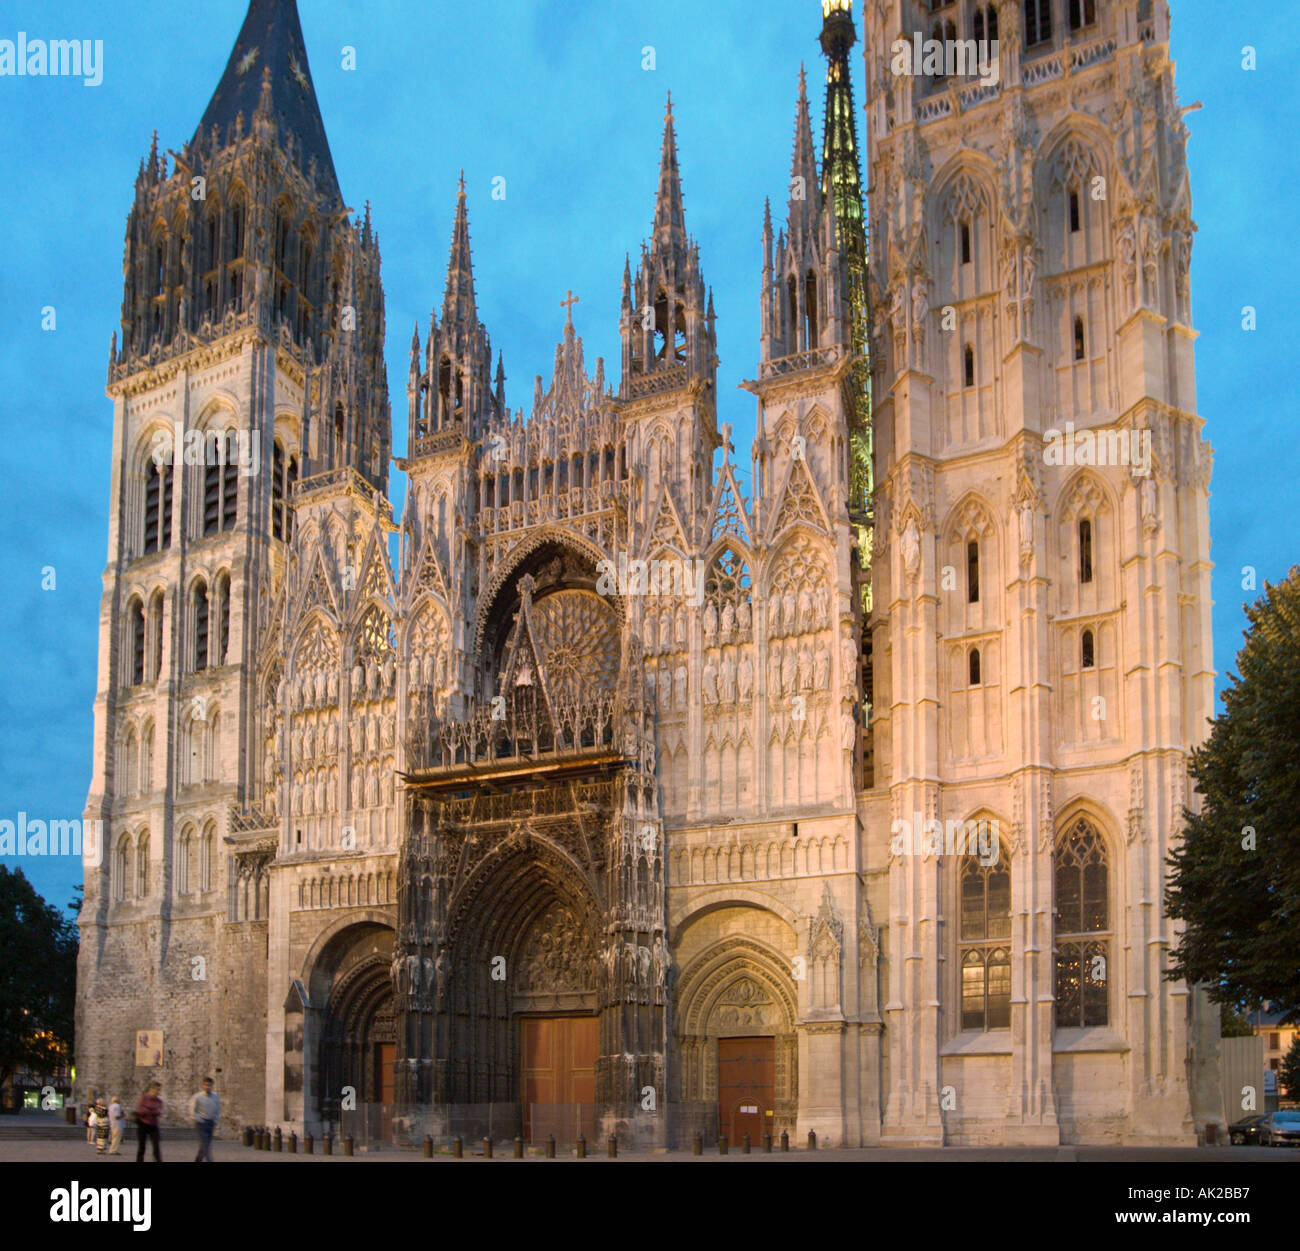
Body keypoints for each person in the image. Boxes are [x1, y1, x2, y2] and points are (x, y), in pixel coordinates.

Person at [189, 1077, 220, 1163]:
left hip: (211, 1123)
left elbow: (217, 1109)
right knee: (205, 1144)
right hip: (201, 1124)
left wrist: (215, 1121)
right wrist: (199, 1119)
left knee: (205, 1145)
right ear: (203, 1085)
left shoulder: (215, 1097)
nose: (208, 1087)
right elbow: (192, 1110)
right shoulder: (197, 1097)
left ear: (212, 1086)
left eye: (210, 1085)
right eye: (206, 1085)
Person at [135, 1081, 163, 1162]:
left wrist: (149, 1110)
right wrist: (152, 1111)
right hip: (142, 1124)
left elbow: (159, 1112)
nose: (158, 1092)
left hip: (153, 1124)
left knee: (156, 1146)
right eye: (157, 1089)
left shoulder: (159, 1101)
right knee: (142, 1146)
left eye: (159, 1090)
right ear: (151, 1089)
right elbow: (140, 1111)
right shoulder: (143, 1098)